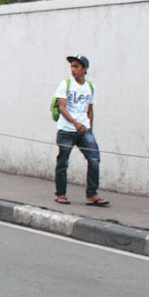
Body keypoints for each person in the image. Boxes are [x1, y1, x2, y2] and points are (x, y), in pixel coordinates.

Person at [54, 55, 108, 206]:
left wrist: (89, 126)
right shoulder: (65, 84)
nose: (73, 70)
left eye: (77, 66)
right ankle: (61, 194)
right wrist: (75, 123)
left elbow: (90, 109)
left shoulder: (90, 87)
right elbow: (62, 107)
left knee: (94, 159)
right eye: (72, 66)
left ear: (84, 69)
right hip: (66, 130)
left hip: (84, 130)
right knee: (63, 162)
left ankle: (92, 195)